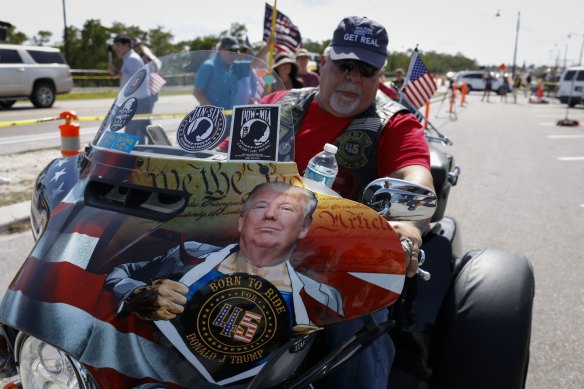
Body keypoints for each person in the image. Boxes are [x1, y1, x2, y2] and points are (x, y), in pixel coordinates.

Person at [259, 16, 433, 389]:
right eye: (346, 65)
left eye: (367, 70)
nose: (354, 77)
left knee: (353, 320)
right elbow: (222, 157)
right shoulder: (276, 103)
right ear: (324, 63)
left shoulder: (395, 124)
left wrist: (405, 229)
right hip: (249, 244)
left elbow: (414, 176)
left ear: (379, 75)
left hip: (337, 264)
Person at [104, 182, 346, 326]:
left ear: (304, 227)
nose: (270, 215)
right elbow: (119, 273)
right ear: (241, 221)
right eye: (260, 206)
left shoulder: (322, 298)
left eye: (286, 209)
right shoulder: (189, 255)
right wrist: (137, 293)